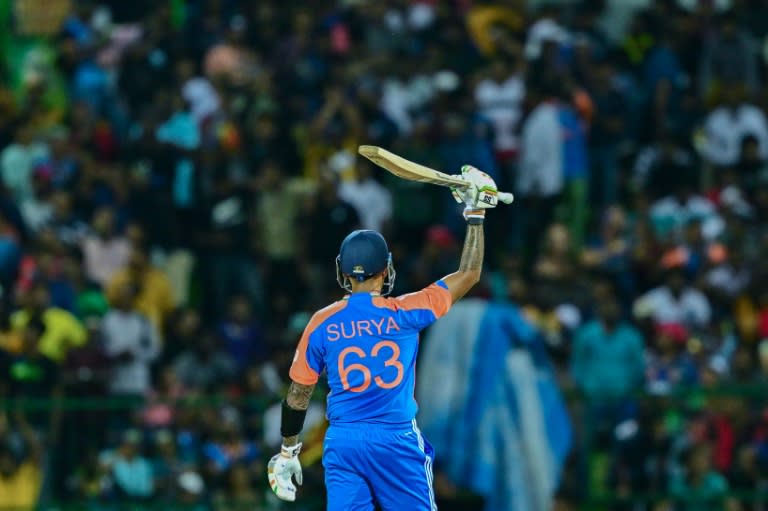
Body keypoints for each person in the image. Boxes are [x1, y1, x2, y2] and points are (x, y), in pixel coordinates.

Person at [266, 165, 497, 510]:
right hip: (395, 438)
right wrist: (475, 214)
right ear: (386, 269)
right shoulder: (406, 311)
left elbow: (299, 394)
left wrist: (288, 450)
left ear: (342, 270)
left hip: (344, 441)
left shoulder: (321, 322)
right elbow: (469, 273)